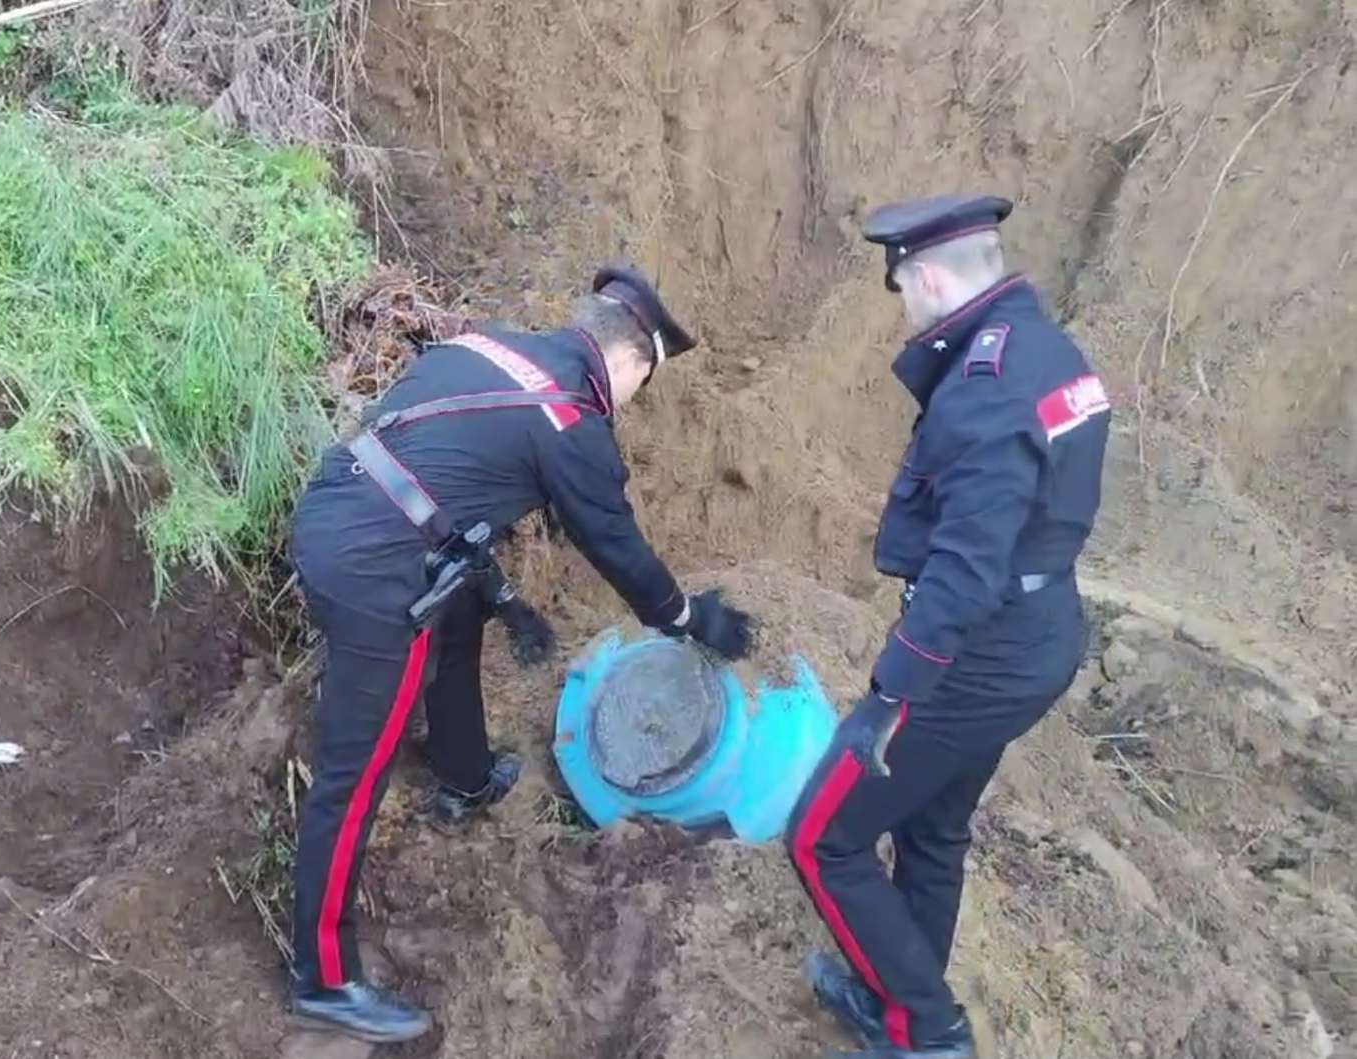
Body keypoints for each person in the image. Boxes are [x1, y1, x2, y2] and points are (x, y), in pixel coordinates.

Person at [284, 266, 758, 1043]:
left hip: (340, 505)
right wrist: (685, 617)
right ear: (635, 361)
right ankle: (324, 976)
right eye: (646, 381)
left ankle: (465, 773)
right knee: (355, 768)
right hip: (377, 571)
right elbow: (614, 542)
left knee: (463, 600)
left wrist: (505, 599)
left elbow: (440, 473)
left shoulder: (493, 343)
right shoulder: (572, 422)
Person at [783, 193, 1112, 1059]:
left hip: (985, 648)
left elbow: (967, 568)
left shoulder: (983, 389)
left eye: (900, 287)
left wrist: (891, 694)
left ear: (926, 276)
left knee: (823, 833)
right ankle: (893, 994)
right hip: (1041, 626)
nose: (902, 304)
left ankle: (927, 1034)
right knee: (933, 826)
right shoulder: (1049, 349)